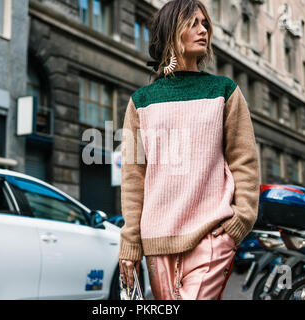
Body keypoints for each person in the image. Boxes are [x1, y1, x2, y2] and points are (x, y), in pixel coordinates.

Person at [118, 0, 260, 300]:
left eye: (205, 23)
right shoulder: (141, 101)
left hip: (212, 236)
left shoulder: (224, 91)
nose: (203, 30)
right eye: (193, 23)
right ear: (171, 31)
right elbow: (133, 176)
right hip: (156, 242)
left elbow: (244, 160)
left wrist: (240, 220)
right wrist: (130, 243)